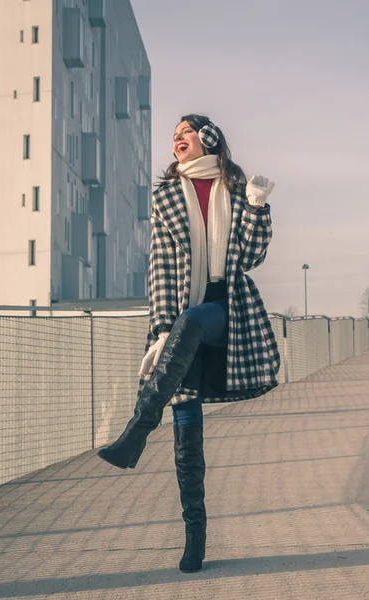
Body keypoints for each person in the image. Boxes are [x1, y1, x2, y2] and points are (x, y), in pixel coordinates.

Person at [97, 114, 280, 573]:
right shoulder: (164, 197)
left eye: (187, 131)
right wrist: (161, 330)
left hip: (224, 311)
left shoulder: (233, 191)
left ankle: (137, 430)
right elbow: (159, 266)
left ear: (208, 139)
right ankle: (194, 540)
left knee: (195, 319)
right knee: (187, 433)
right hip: (178, 320)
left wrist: (257, 205)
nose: (177, 138)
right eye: (175, 134)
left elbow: (250, 257)